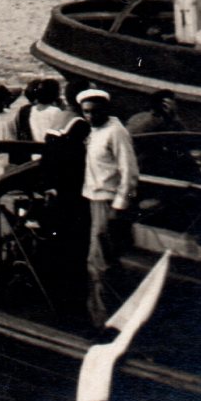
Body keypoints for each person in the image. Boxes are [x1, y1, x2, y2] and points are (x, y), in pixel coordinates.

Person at [76, 88, 138, 328]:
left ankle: (103, 321)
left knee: (99, 262)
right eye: (86, 112)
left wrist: (119, 206)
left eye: (94, 111)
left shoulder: (116, 132)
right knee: (98, 260)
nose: (90, 116)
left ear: (106, 110)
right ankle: (102, 314)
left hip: (108, 202)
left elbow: (130, 173)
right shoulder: (94, 131)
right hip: (93, 200)